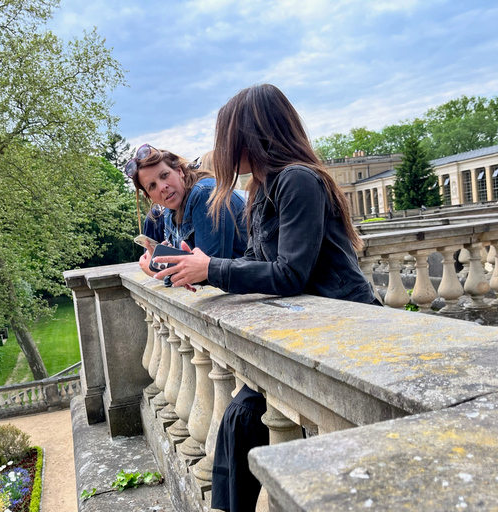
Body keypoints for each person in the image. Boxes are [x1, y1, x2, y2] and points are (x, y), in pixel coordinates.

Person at [154, 84, 378, 511]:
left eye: (226, 136)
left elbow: (291, 273)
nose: (220, 148)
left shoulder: (298, 180)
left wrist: (213, 268)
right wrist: (201, 269)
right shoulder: (262, 189)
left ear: (250, 133)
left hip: (347, 325)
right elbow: (257, 261)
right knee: (239, 421)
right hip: (306, 326)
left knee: (246, 421)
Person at [124, 145, 248, 280]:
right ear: (149, 196)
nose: (162, 187)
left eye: (164, 175)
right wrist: (164, 260)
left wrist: (156, 271)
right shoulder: (169, 212)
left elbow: (209, 274)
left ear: (179, 171)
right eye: (152, 186)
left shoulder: (204, 194)